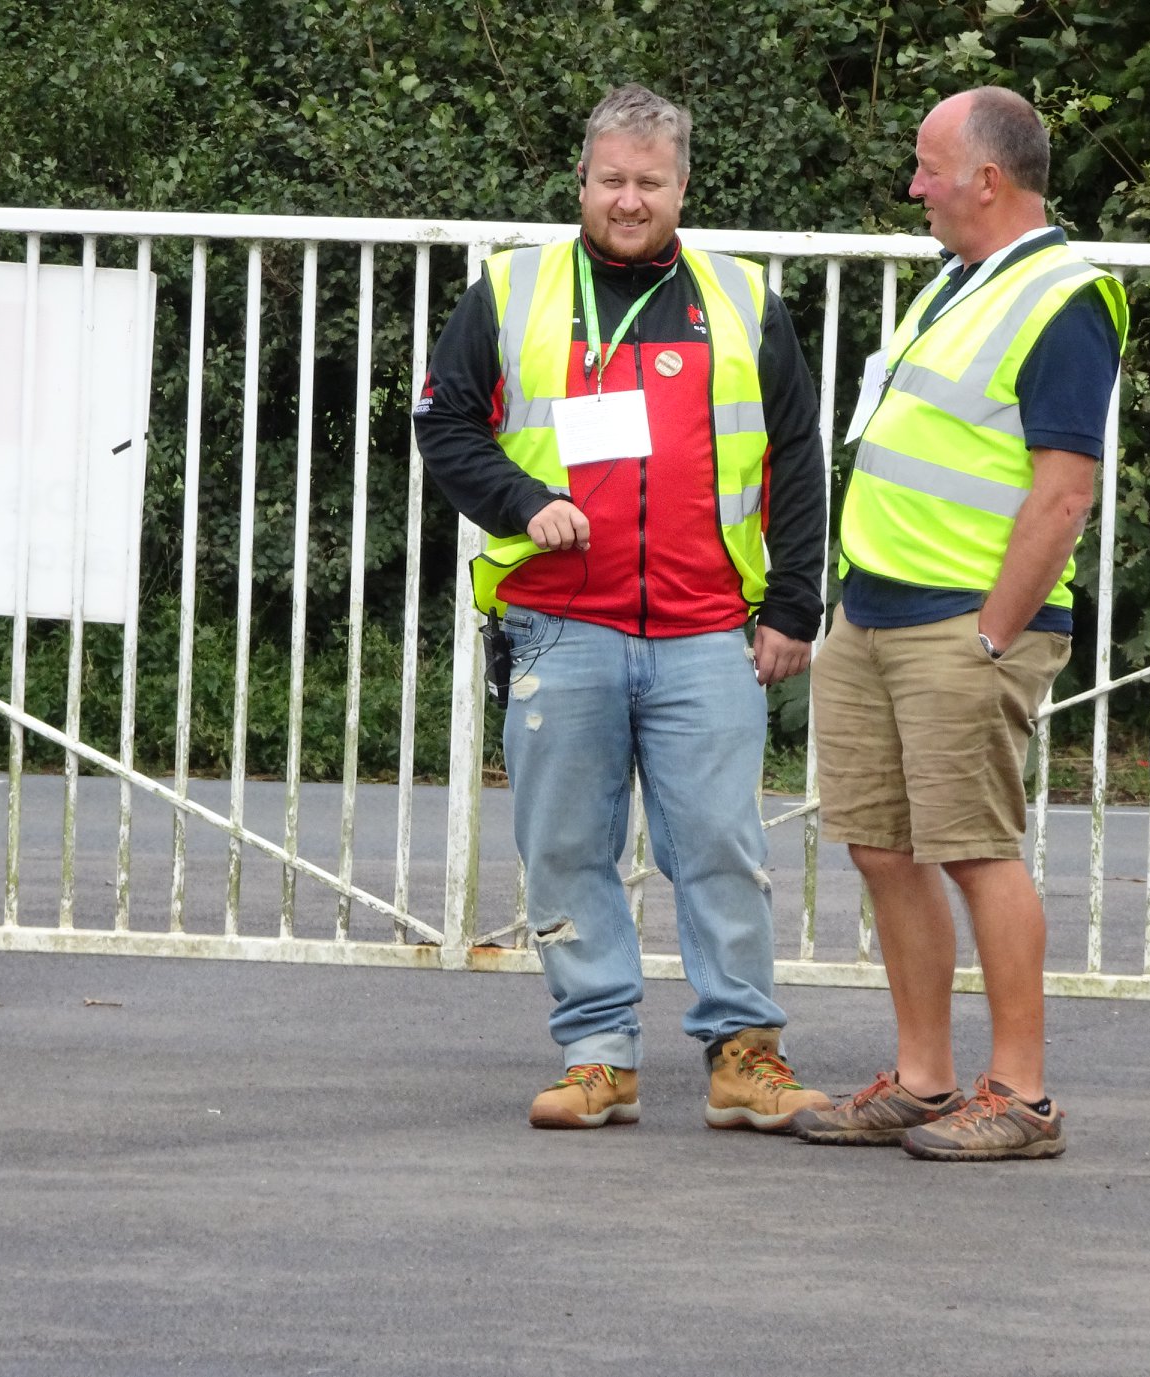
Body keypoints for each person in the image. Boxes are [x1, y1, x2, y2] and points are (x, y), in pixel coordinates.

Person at [414, 83, 831, 1134]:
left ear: (684, 186)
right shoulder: (511, 289)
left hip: (706, 628)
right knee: (565, 850)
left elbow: (796, 455)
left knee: (724, 848)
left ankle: (745, 1056)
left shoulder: (743, 297)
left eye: (650, 181)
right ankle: (598, 1055)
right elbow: (444, 423)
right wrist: (522, 501)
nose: (629, 200)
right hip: (559, 623)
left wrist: (793, 603)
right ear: (582, 181)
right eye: (612, 180)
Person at [793, 87, 1128, 1161]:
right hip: (875, 610)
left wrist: (992, 634)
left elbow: (1063, 495)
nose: (915, 187)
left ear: (987, 179)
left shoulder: (1062, 297)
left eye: (929, 168)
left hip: (960, 623)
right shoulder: (958, 280)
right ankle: (925, 1078)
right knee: (884, 849)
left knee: (977, 852)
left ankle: (1022, 1096)